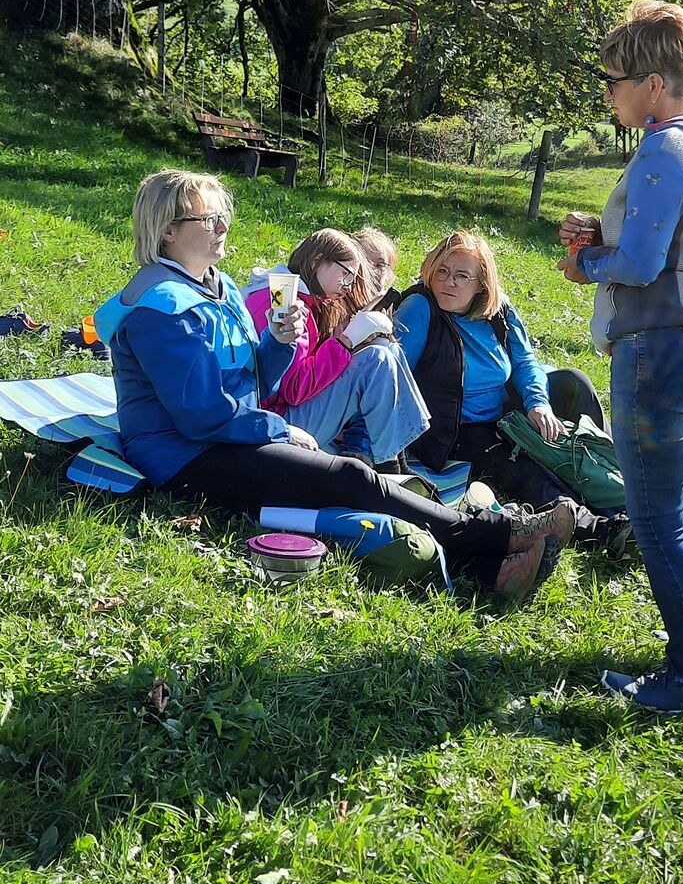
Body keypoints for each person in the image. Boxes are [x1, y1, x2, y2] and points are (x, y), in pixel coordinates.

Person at [94, 170, 571, 601]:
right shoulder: (162, 308)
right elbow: (199, 416)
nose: (222, 227)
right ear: (168, 230)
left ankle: (489, 568)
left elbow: (254, 381)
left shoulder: (215, 286)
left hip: (228, 436)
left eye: (223, 216)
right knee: (348, 479)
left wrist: (278, 343)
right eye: (207, 219)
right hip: (185, 457)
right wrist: (279, 430)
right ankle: (502, 535)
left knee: (346, 482)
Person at [558, 0, 683, 719]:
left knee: (657, 520)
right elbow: (667, 243)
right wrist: (600, 231)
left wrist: (586, 264)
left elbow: (641, 266)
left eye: (614, 81)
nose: (609, 94)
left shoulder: (663, 150)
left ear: (651, 84)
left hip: (660, 348)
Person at [393, 230, 605, 532]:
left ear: (481, 284)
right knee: (523, 468)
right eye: (442, 271)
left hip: (506, 411)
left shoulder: (497, 310)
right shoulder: (420, 308)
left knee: (574, 382)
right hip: (459, 429)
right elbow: (392, 377)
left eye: (462, 276)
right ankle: (594, 526)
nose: (449, 282)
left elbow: (524, 361)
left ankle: (615, 476)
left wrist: (538, 404)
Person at [242, 229, 428, 467]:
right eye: (346, 274)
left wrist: (347, 338)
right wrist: (345, 342)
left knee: (383, 347)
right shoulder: (288, 305)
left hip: (276, 416)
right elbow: (294, 389)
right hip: (276, 426)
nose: (349, 286)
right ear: (317, 260)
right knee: (376, 357)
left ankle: (391, 457)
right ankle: (388, 463)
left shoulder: (287, 293)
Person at [352, 225, 400, 313]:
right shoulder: (338, 306)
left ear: (389, 272)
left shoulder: (389, 305)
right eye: (365, 265)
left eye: (379, 265)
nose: (372, 272)